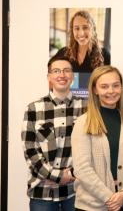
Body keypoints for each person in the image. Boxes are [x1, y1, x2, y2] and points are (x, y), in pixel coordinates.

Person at [21, 55, 86, 211]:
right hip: (42, 193)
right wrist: (55, 176)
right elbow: (30, 150)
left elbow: (91, 148)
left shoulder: (86, 107)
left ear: (72, 76)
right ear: (49, 76)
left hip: (75, 191)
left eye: (66, 70)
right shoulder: (33, 109)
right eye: (56, 71)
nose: (61, 75)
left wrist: (71, 174)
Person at [71, 65, 123, 210]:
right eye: (104, 86)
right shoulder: (84, 122)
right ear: (95, 90)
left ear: (121, 87)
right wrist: (110, 198)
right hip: (91, 206)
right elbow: (82, 169)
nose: (111, 91)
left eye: (116, 85)